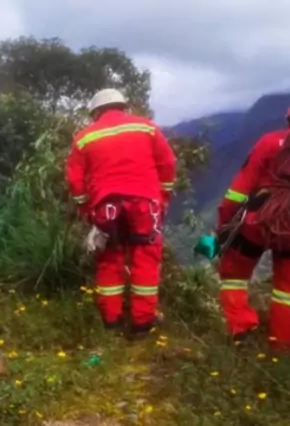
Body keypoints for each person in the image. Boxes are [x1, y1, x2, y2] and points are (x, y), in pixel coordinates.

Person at [65, 88, 177, 337]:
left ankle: (111, 321)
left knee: (109, 260)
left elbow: (75, 180)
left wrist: (87, 209)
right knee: (145, 260)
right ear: (123, 106)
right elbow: (168, 164)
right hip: (145, 205)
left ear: (95, 111)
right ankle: (142, 325)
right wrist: (163, 198)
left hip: (106, 207)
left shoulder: (85, 137)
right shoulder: (146, 127)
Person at [213, 99, 290, 353]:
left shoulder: (270, 142)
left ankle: (242, 332)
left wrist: (224, 224)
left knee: (234, 276)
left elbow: (238, 192)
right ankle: (281, 347)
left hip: (256, 223)